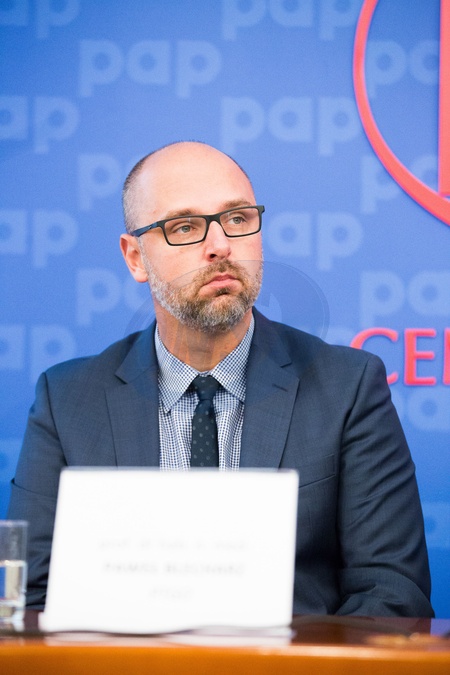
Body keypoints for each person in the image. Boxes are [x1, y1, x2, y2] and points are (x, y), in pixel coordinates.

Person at [8, 141, 433, 617]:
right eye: (185, 227)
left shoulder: (348, 388)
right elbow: (29, 600)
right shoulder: (67, 400)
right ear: (135, 257)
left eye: (237, 218)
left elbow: (392, 594)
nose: (220, 246)